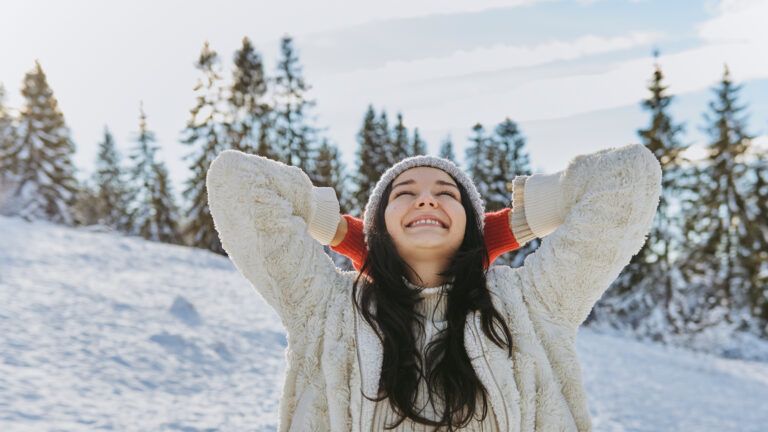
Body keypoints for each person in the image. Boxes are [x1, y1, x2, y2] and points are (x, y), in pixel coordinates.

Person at [206, 143, 662, 431]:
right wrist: (351, 239)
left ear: (472, 223)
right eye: (404, 193)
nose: (426, 197)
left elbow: (630, 177)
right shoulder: (326, 307)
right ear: (378, 225)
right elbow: (237, 181)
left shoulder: (533, 304)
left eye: (447, 193)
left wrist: (508, 228)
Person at [328, 203, 527, 273]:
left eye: (445, 192)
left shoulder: (510, 301)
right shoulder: (343, 310)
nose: (426, 201)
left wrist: (481, 236)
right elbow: (300, 201)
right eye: (405, 192)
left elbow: (554, 202)